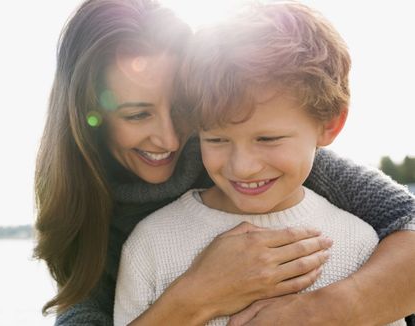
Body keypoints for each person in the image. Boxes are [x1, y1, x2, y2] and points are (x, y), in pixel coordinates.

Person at [33, 0, 415, 325]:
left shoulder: (247, 147)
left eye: (183, 108)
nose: (170, 139)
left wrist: (323, 310)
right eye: (137, 115)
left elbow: (408, 221)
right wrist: (195, 296)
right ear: (88, 117)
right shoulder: (91, 216)